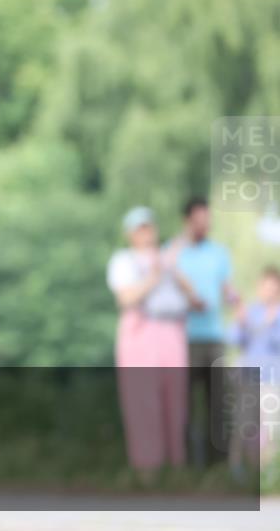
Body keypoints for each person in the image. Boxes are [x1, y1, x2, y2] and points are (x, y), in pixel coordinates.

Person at [107, 207, 203, 481]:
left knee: (176, 401)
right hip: (140, 333)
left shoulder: (170, 258)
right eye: (140, 228)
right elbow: (126, 299)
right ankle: (147, 471)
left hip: (172, 332)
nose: (146, 233)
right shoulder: (123, 260)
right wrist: (156, 272)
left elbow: (194, 301)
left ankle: (176, 468)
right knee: (142, 400)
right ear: (130, 234)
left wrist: (174, 269)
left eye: (148, 227)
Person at [173, 197, 241, 466]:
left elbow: (227, 287)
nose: (204, 225)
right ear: (187, 221)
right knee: (186, 404)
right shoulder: (174, 251)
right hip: (183, 339)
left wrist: (235, 299)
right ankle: (188, 464)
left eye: (207, 220)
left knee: (218, 402)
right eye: (199, 220)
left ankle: (221, 465)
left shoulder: (219, 253)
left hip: (214, 337)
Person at [228, 266, 280, 477]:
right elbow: (234, 340)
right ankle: (237, 469)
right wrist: (241, 322)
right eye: (265, 287)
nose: (268, 291)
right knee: (244, 424)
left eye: (273, 287)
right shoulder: (250, 312)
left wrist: (270, 323)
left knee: (271, 427)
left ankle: (267, 473)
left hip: (273, 379)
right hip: (248, 377)